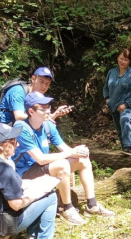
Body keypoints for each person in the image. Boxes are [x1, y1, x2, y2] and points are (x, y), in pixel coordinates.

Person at [14, 91, 115, 226]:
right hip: (25, 174)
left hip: (40, 168)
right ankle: (66, 208)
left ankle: (92, 205)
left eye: (48, 107)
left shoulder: (48, 125)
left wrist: (79, 152)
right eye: (42, 109)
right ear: (31, 111)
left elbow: (65, 149)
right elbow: (40, 159)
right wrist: (70, 153)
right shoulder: (22, 127)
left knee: (83, 160)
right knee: (62, 165)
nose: (47, 111)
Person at [0, 123, 58, 239]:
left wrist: (32, 184)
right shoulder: (3, 168)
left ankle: (32, 236)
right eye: (13, 141)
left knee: (37, 192)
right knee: (51, 197)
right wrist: (38, 193)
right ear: (1, 146)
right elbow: (16, 205)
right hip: (0, 225)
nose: (17, 144)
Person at [0, 66, 72, 125]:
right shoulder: (18, 91)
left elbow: (42, 120)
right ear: (33, 78)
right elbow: (19, 116)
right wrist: (43, 117)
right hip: (2, 127)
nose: (44, 86)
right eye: (41, 81)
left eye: (47, 83)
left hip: (19, 128)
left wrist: (56, 114)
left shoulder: (39, 96)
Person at [103, 48, 131, 155]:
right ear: (117, 58)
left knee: (125, 119)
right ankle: (125, 153)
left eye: (126, 60)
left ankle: (128, 147)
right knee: (120, 130)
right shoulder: (111, 72)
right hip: (114, 106)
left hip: (129, 107)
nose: (123, 62)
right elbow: (105, 87)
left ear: (130, 61)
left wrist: (126, 105)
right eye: (121, 58)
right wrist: (107, 99)